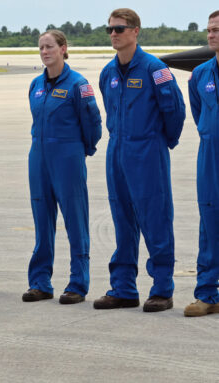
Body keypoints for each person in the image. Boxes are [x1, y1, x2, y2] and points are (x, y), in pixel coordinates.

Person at [94, 8, 185, 312]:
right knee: (122, 219)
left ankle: (162, 288)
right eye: (110, 30)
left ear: (135, 31)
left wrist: (162, 142)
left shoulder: (154, 69)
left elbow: (174, 110)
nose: (114, 35)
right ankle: (123, 288)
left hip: (147, 152)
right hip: (117, 152)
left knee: (155, 219)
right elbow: (110, 112)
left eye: (119, 29)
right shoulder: (108, 73)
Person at [22, 30, 102, 304]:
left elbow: (92, 124)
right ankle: (40, 282)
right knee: (42, 221)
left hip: (67, 157)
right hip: (39, 157)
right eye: (41, 47)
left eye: (50, 47)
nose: (45, 52)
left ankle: (78, 283)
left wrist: (81, 151)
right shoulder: (36, 85)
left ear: (63, 49)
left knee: (75, 221)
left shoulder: (78, 85)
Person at [184, 10, 219, 317]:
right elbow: (199, 115)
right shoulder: (200, 74)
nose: (211, 35)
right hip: (210, 156)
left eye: (217, 29)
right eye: (209, 30)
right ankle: (207, 294)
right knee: (208, 224)